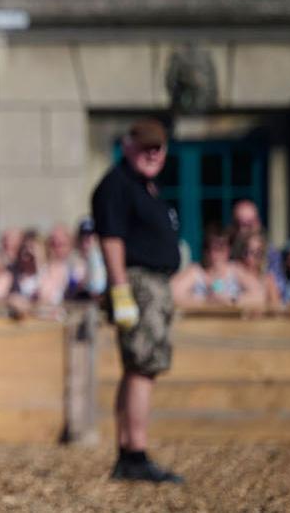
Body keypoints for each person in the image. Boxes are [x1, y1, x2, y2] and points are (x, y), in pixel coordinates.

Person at [90, 118, 184, 484]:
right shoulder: (118, 185)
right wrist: (120, 289)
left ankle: (130, 451)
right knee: (143, 367)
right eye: (145, 147)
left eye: (158, 147)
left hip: (153, 285)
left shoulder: (145, 187)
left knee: (139, 368)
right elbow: (111, 238)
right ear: (126, 145)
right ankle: (135, 453)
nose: (153, 154)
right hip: (138, 284)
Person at [171, 229, 251, 307]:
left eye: (222, 247)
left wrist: (231, 300)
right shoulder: (196, 271)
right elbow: (174, 294)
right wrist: (205, 301)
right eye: (215, 248)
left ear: (229, 249)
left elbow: (258, 294)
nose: (219, 253)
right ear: (206, 251)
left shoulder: (236, 270)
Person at [231, 199, 284, 296]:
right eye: (238, 224)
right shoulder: (225, 249)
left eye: (248, 225)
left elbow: (277, 293)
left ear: (257, 223)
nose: (242, 230)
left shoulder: (271, 253)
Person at [233, 231, 281, 309]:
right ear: (242, 251)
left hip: (260, 320)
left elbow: (276, 308)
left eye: (257, 252)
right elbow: (216, 285)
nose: (251, 256)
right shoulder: (235, 269)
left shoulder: (268, 279)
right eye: (248, 251)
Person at [76, 218, 108, 299]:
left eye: (90, 238)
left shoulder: (102, 261)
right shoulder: (73, 261)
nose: (86, 243)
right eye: (83, 238)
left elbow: (97, 289)